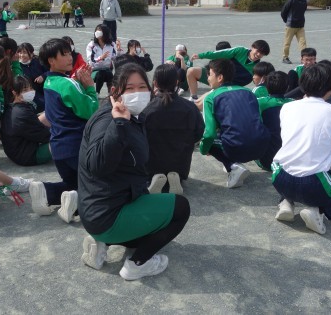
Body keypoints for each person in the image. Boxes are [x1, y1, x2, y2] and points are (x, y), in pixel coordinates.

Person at [78, 63, 190, 280]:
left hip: (104, 208)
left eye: (142, 87)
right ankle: (137, 264)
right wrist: (119, 124)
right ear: (115, 92)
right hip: (107, 215)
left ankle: (102, 243)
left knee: (150, 230)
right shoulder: (110, 119)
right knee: (180, 208)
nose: (137, 93)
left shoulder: (131, 115)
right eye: (129, 88)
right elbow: (97, 165)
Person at [272, 63, 331, 234]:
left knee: (293, 159)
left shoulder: (287, 107)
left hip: (280, 178)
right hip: (312, 184)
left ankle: (286, 201)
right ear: (330, 88)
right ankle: (318, 211)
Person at [30, 38, 99, 223]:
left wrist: (77, 82)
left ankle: (46, 191)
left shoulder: (49, 82)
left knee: (71, 183)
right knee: (97, 184)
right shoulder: (68, 84)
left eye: (70, 53)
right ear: (51, 60)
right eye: (64, 54)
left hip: (58, 147)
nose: (70, 57)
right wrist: (90, 88)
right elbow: (91, 110)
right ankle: (75, 201)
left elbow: (66, 102)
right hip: (77, 145)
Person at [199, 59, 269, 188]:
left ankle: (232, 166)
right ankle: (233, 161)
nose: (208, 78)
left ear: (220, 77)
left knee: (208, 139)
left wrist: (204, 149)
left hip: (238, 147)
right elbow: (259, 120)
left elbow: (209, 133)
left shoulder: (210, 97)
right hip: (262, 147)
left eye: (209, 74)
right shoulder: (248, 92)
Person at [141, 64, 205, 194]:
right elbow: (199, 132)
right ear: (177, 82)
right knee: (177, 163)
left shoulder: (147, 109)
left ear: (155, 83)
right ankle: (176, 178)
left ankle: (154, 179)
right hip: (180, 163)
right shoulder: (190, 107)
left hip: (152, 164)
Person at [186, 40, 270, 100]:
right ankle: (193, 97)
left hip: (229, 88)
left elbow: (262, 83)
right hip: (216, 77)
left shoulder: (258, 68)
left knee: (206, 99)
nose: (258, 54)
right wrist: (201, 55)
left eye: (262, 54)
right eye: (258, 51)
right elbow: (220, 53)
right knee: (191, 71)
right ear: (252, 47)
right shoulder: (240, 50)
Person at [1, 76, 52, 166]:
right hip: (27, 156)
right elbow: (45, 135)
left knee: (47, 115)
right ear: (14, 92)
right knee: (63, 139)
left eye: (30, 88)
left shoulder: (13, 107)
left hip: (16, 151)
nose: (30, 92)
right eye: (25, 90)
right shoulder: (22, 113)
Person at [255, 71, 292, 171]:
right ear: (287, 87)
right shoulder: (294, 104)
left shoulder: (259, 102)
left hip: (266, 161)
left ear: (266, 87)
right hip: (290, 161)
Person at [86, 24, 119, 94]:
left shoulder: (111, 44)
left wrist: (119, 51)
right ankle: (97, 93)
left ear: (105, 33)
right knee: (101, 74)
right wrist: (101, 58)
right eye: (96, 31)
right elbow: (91, 61)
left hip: (107, 69)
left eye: (100, 31)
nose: (97, 32)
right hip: (94, 71)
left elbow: (115, 58)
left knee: (110, 74)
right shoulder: (91, 45)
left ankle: (111, 93)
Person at [280, 0, 308, 64]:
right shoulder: (291, 1)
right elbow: (283, 12)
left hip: (300, 26)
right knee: (287, 43)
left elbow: (303, 11)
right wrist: (287, 21)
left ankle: (305, 58)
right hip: (290, 26)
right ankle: (285, 58)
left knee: (303, 43)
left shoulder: (304, 1)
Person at [17, 42, 48, 112]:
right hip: (30, 93)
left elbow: (49, 72)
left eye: (24, 52)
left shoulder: (38, 61)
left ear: (31, 54)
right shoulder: (18, 66)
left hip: (44, 90)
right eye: (20, 52)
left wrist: (43, 76)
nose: (22, 55)